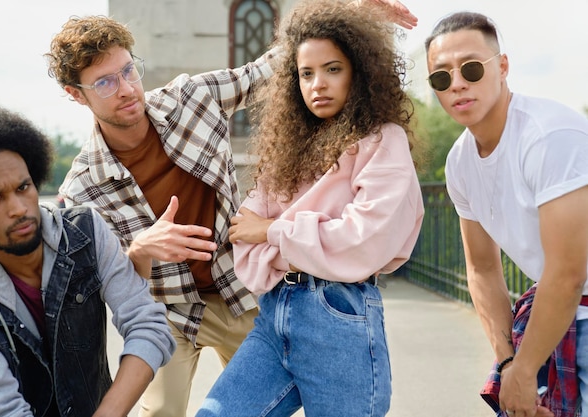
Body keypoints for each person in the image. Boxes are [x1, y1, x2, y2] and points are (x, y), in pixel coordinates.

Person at [44, 2, 417, 416]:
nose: (128, 88)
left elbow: (272, 68)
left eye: (129, 70)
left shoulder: (190, 98)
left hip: (239, 289)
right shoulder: (83, 190)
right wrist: (141, 250)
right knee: (161, 412)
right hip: (171, 308)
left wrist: (351, 11)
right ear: (76, 94)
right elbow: (108, 290)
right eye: (105, 83)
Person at [195, 1, 424, 416]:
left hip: (339, 314)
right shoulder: (289, 151)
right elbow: (243, 236)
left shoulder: (382, 141)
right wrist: (302, 237)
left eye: (333, 69)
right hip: (275, 312)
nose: (318, 83)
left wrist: (274, 233)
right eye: (306, 73)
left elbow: (361, 240)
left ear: (360, 71)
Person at [0, 105, 175, 417]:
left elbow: (148, 325)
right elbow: (0, 408)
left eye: (24, 187)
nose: (19, 208)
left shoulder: (84, 231)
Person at [425, 11, 588, 417]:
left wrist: (526, 368)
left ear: (502, 67)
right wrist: (509, 364)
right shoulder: (459, 163)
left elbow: (569, 272)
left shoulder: (550, 137)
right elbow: (481, 270)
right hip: (554, 318)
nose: (457, 83)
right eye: (441, 78)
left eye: (472, 68)